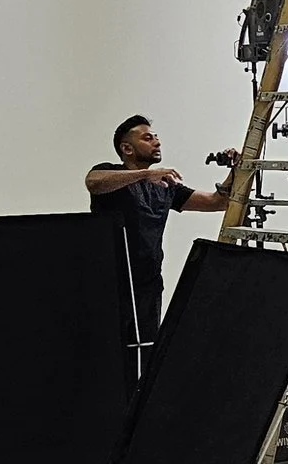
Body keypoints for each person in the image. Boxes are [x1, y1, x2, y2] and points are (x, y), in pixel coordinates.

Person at [86, 115, 232, 346]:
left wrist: (238, 169)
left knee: (145, 351)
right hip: (109, 283)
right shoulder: (109, 173)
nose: (157, 142)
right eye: (147, 138)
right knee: (108, 352)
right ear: (127, 148)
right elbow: (93, 181)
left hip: (148, 285)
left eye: (156, 137)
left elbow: (217, 202)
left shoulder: (166, 186)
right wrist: (145, 174)